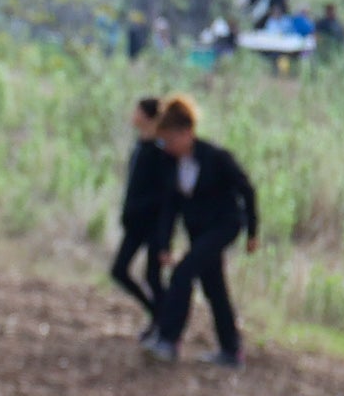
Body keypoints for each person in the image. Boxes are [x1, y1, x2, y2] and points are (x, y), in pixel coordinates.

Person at [148, 92, 259, 367]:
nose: (167, 146)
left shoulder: (216, 157)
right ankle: (231, 350)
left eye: (170, 139)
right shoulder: (172, 165)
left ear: (186, 133)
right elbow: (170, 207)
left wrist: (253, 231)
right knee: (214, 287)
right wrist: (164, 244)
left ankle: (168, 339)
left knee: (183, 273)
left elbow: (247, 189)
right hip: (199, 231)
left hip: (224, 225)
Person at [109, 94, 172, 339]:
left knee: (153, 276)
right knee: (119, 270)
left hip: (153, 225)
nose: (132, 115)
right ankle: (158, 314)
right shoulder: (140, 146)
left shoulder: (159, 151)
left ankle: (165, 324)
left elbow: (164, 194)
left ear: (147, 117)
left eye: (136, 111)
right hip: (135, 223)